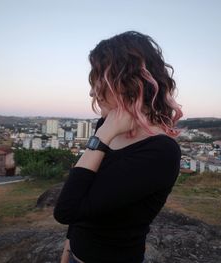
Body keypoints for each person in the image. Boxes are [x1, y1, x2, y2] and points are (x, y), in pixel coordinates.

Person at [54, 31, 183, 263]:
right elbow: (83, 192)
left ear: (129, 83)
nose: (92, 92)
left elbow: (66, 210)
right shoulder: (106, 125)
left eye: (99, 81)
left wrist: (103, 136)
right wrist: (67, 250)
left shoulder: (160, 152)